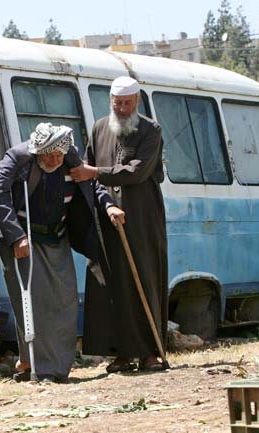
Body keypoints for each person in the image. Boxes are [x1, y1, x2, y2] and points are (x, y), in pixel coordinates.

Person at [0, 122, 123, 383]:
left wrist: (108, 206)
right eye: (49, 155)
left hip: (57, 236)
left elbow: (91, 184)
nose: (54, 160)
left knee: (64, 301)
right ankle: (39, 367)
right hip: (24, 238)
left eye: (58, 155)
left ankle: (57, 367)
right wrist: (17, 236)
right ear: (37, 151)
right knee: (31, 303)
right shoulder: (17, 158)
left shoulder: (69, 157)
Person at [69, 76, 168, 373]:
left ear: (136, 102)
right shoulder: (100, 128)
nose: (122, 109)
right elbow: (87, 178)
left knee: (143, 279)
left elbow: (136, 172)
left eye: (127, 103)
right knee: (111, 284)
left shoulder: (151, 130)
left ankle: (150, 352)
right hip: (106, 218)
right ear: (110, 101)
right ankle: (121, 353)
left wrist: (97, 173)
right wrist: (108, 203)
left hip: (141, 217)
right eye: (117, 103)